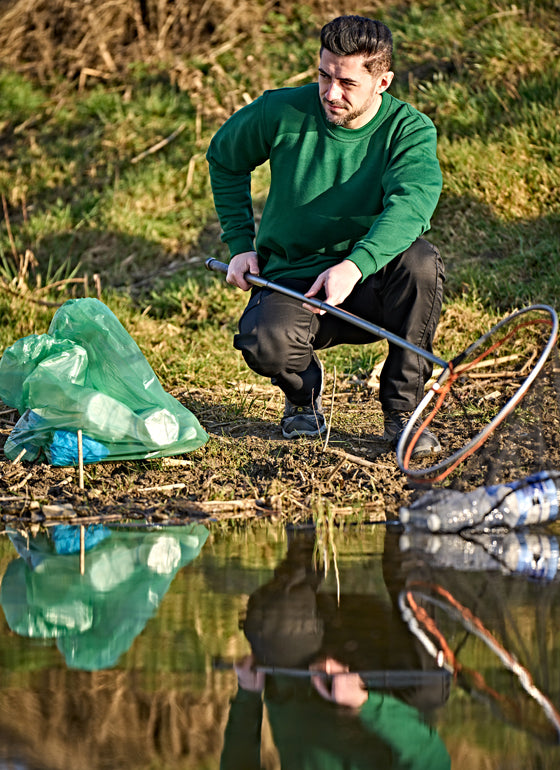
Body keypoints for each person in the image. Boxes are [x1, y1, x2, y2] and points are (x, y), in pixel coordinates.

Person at [206, 15, 445, 457]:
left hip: (370, 280)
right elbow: (224, 157)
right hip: (293, 276)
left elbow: (411, 205)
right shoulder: (281, 110)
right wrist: (240, 244)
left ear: (383, 82)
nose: (331, 93)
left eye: (348, 83)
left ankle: (404, 413)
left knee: (421, 264)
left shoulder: (409, 130)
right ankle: (302, 399)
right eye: (324, 75)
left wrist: (355, 265)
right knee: (264, 342)